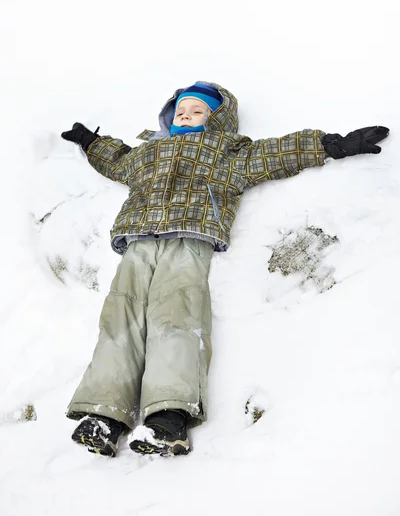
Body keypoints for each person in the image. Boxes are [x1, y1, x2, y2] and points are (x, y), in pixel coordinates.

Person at [61, 81, 389, 457]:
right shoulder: (149, 152)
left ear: (217, 119)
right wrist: (90, 141)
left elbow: (276, 154)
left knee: (175, 317)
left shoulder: (227, 151)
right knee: (120, 320)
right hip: (137, 240)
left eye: (196, 111)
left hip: (190, 237)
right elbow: (117, 159)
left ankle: (169, 417)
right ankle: (105, 415)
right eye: (180, 111)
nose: (186, 116)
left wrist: (333, 144)